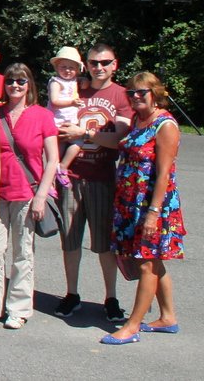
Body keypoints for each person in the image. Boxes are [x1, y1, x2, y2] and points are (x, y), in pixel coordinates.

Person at [102, 72, 185, 344]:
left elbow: (163, 174)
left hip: (152, 206)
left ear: (155, 93)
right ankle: (168, 317)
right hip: (130, 203)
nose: (136, 96)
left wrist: (153, 212)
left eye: (142, 92)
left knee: (147, 262)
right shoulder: (139, 120)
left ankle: (132, 326)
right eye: (131, 93)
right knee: (152, 260)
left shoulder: (165, 125)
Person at [0, 63, 58, 329]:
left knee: (23, 253)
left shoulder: (42, 115)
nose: (15, 86)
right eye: (10, 81)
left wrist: (41, 196)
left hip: (27, 192)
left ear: (29, 85)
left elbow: (52, 159)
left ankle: (19, 307)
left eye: (21, 81)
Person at [55, 42, 132, 321]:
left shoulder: (121, 95)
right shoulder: (75, 88)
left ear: (115, 64)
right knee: (70, 239)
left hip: (102, 177)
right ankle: (71, 293)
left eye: (105, 62)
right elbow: (57, 124)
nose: (99, 67)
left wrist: (84, 134)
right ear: (85, 64)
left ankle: (110, 298)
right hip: (71, 177)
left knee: (103, 243)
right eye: (93, 62)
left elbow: (118, 140)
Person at [47, 46, 84, 189]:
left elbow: (81, 81)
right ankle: (51, 179)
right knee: (57, 150)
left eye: (71, 68)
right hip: (58, 122)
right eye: (63, 67)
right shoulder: (56, 82)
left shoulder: (74, 81)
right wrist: (72, 102)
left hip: (70, 122)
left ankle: (62, 167)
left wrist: (83, 81)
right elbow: (54, 101)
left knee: (78, 143)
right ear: (57, 67)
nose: (67, 70)